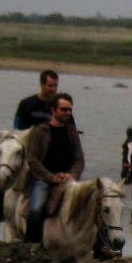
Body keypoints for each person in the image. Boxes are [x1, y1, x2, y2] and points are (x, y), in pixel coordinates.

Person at [0, 69, 62, 236]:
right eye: (50, 86)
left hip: (50, 156)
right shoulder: (27, 104)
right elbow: (16, 130)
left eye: (55, 86)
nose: (53, 89)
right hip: (26, 152)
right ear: (42, 84)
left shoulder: (59, 107)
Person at [20, 93, 85, 244]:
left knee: (93, 203)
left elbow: (79, 159)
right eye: (64, 109)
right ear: (53, 110)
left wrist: (72, 174)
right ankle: (31, 246)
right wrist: (51, 177)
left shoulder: (72, 132)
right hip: (43, 180)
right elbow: (32, 160)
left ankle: (100, 247)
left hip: (69, 180)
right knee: (36, 210)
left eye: (70, 110)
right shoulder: (39, 131)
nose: (68, 113)